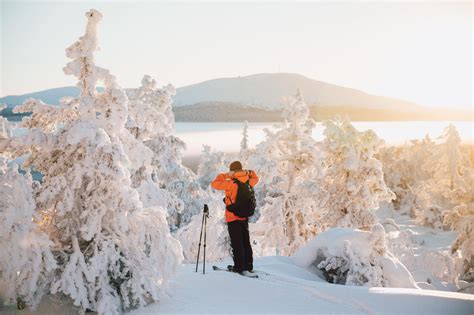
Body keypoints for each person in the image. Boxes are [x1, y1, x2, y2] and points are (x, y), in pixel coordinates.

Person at [211, 161, 259, 275]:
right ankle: (248, 266)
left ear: (232, 171)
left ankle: (239, 267)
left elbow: (215, 184)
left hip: (233, 217)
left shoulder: (231, 183)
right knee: (245, 242)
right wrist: (248, 172)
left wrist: (226, 175)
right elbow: (256, 177)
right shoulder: (249, 181)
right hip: (244, 217)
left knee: (237, 243)